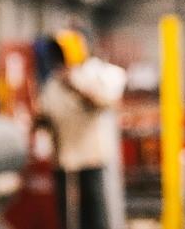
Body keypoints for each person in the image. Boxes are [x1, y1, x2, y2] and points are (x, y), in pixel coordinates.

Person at [36, 29, 128, 229]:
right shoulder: (52, 85)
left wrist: (75, 87)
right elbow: (46, 115)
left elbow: (106, 103)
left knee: (94, 215)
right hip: (64, 161)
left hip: (89, 160)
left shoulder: (90, 77)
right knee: (68, 218)